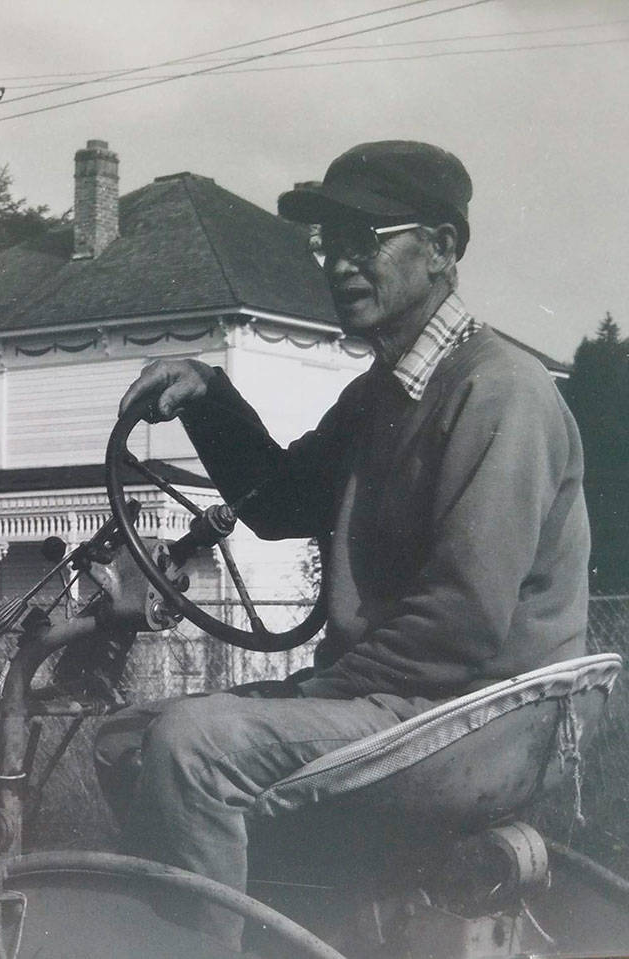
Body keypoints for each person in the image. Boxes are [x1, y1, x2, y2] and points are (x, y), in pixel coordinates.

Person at [94, 140, 590, 902]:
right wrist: (208, 396)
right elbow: (282, 500)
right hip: (405, 704)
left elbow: (460, 621)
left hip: (470, 719)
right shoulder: (382, 395)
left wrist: (315, 692)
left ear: (442, 250)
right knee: (126, 738)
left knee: (191, 746)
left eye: (367, 241)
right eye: (330, 242)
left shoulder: (499, 394)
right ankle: (306, 919)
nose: (339, 264)